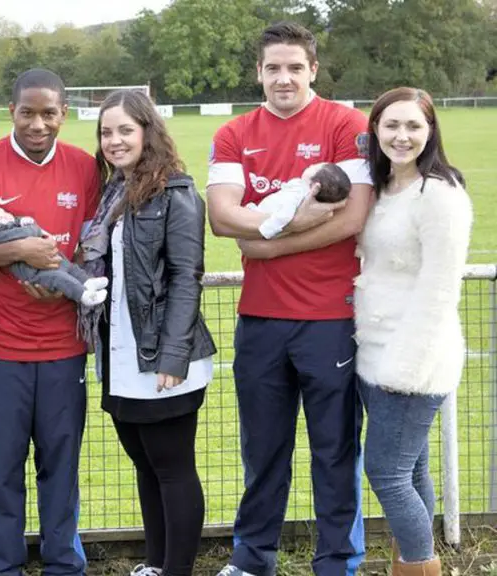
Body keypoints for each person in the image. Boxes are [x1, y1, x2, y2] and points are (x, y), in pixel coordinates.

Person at [205, 22, 375, 576]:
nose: (284, 78)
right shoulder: (234, 134)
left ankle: (338, 562)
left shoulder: (346, 124)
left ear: (313, 71)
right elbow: (221, 216)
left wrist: (267, 243)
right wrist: (279, 224)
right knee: (264, 451)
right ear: (259, 72)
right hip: (260, 320)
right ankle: (253, 560)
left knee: (335, 451)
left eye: (295, 67)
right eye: (273, 68)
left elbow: (353, 217)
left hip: (331, 319)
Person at [0, 68, 99, 576]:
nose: (37, 124)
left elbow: (96, 249)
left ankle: (62, 565)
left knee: (61, 466)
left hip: (63, 345)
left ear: (63, 115)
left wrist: (66, 287)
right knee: (0, 469)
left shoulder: (82, 167)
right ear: (11, 111)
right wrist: (21, 250)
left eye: (48, 113)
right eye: (27, 113)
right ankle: (2, 567)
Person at [78, 89, 217, 576]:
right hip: (119, 357)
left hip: (162, 358)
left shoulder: (176, 193)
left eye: (124, 130)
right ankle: (155, 564)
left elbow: (186, 277)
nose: (114, 141)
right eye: (106, 132)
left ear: (147, 132)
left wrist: (173, 356)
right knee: (145, 465)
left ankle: (176, 570)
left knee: (173, 469)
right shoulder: (112, 192)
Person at [355, 87, 472, 576]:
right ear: (376, 131)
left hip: (412, 361)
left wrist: (404, 369)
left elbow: (439, 290)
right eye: (391, 126)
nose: (402, 137)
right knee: (412, 470)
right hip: (373, 353)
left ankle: (420, 568)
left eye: (413, 127)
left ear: (430, 132)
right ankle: (411, 561)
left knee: (386, 472)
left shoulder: (440, 195)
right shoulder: (384, 189)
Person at [0, 202, 108, 307]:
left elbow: (18, 226)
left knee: (70, 268)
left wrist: (22, 221)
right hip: (34, 274)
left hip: (47, 261)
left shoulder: (6, 227)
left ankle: (88, 282)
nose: (7, 216)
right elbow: (27, 232)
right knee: (60, 278)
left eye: (4, 212)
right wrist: (31, 227)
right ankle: (85, 296)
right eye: (1, 217)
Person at [245, 163, 352, 239]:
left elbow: (285, 214)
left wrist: (267, 229)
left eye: (314, 167)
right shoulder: (300, 188)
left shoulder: (299, 193)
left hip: (266, 222)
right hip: (261, 214)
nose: (310, 165)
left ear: (315, 186)